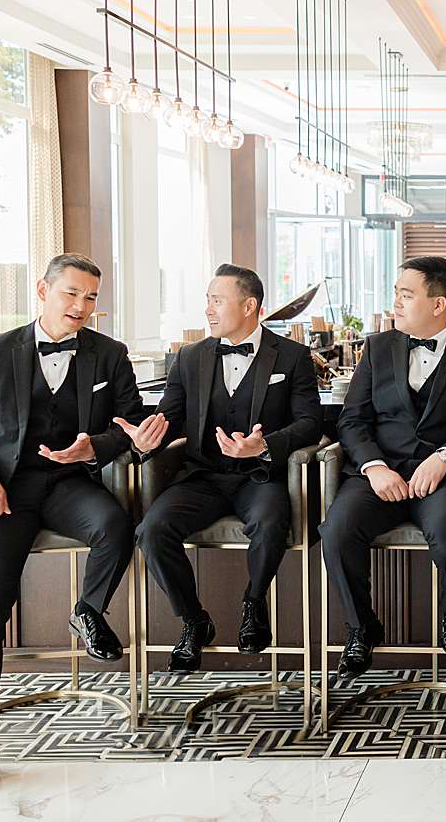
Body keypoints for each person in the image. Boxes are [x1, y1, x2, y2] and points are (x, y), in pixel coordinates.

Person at [0, 253, 142, 803]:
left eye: (91, 298)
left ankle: (88, 611)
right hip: (4, 491)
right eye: (71, 294)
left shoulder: (110, 354)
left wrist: (93, 446)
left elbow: (128, 429)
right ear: (43, 290)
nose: (81, 308)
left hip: (67, 485)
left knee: (116, 526)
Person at [126, 264, 322, 671]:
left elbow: (310, 424)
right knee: (152, 529)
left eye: (217, 300)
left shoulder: (293, 356)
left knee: (270, 523)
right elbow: (169, 418)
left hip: (260, 476)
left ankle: (254, 604)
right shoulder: (190, 357)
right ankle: (194, 621)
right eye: (207, 300)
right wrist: (146, 440)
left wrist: (263, 445)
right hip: (202, 477)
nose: (208, 310)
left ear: (250, 305)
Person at [321, 256, 446, 678]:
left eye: (406, 295)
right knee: (337, 531)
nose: (396, 303)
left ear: (438, 305)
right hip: (380, 474)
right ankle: (361, 628)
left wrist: (444, 458)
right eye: (396, 294)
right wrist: (373, 466)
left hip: (443, 476)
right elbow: (352, 419)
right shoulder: (378, 346)